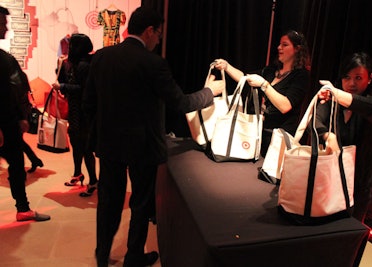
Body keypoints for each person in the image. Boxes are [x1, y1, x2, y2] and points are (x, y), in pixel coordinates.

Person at [82, 7, 224, 267]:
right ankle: (133, 257)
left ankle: (102, 254)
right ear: (149, 31)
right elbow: (180, 102)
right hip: (143, 147)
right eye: (158, 33)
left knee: (108, 201)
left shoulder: (101, 57)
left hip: (110, 144)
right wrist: (209, 92)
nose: (158, 39)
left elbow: (89, 104)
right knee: (140, 202)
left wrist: (97, 137)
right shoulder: (153, 63)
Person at [315, 52, 372, 222]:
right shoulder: (331, 101)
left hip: (358, 184)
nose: (351, 83)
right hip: (328, 179)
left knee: (351, 233)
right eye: (346, 77)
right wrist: (328, 135)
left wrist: (337, 94)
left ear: (369, 78)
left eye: (358, 78)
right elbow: (316, 120)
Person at [214, 30, 311, 155]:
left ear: (297, 49)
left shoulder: (301, 76)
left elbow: (285, 106)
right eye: (280, 44)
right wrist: (227, 67)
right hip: (258, 133)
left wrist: (264, 85)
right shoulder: (271, 70)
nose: (279, 47)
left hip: (279, 139)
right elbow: (245, 78)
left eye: (285, 45)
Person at [0, 6, 50, 222]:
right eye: (2, 23)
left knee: (17, 165)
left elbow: (17, 87)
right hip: (4, 123)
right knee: (16, 164)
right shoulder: (4, 60)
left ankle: (23, 209)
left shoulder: (5, 59)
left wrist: (21, 117)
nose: (6, 28)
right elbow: (16, 88)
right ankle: (23, 208)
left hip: (8, 122)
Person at [52, 33, 98, 197]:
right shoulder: (74, 63)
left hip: (83, 112)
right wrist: (60, 69)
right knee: (77, 144)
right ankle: (78, 173)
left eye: (71, 45)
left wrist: (62, 86)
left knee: (85, 147)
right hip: (75, 111)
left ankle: (93, 181)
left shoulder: (85, 65)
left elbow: (83, 90)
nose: (68, 48)